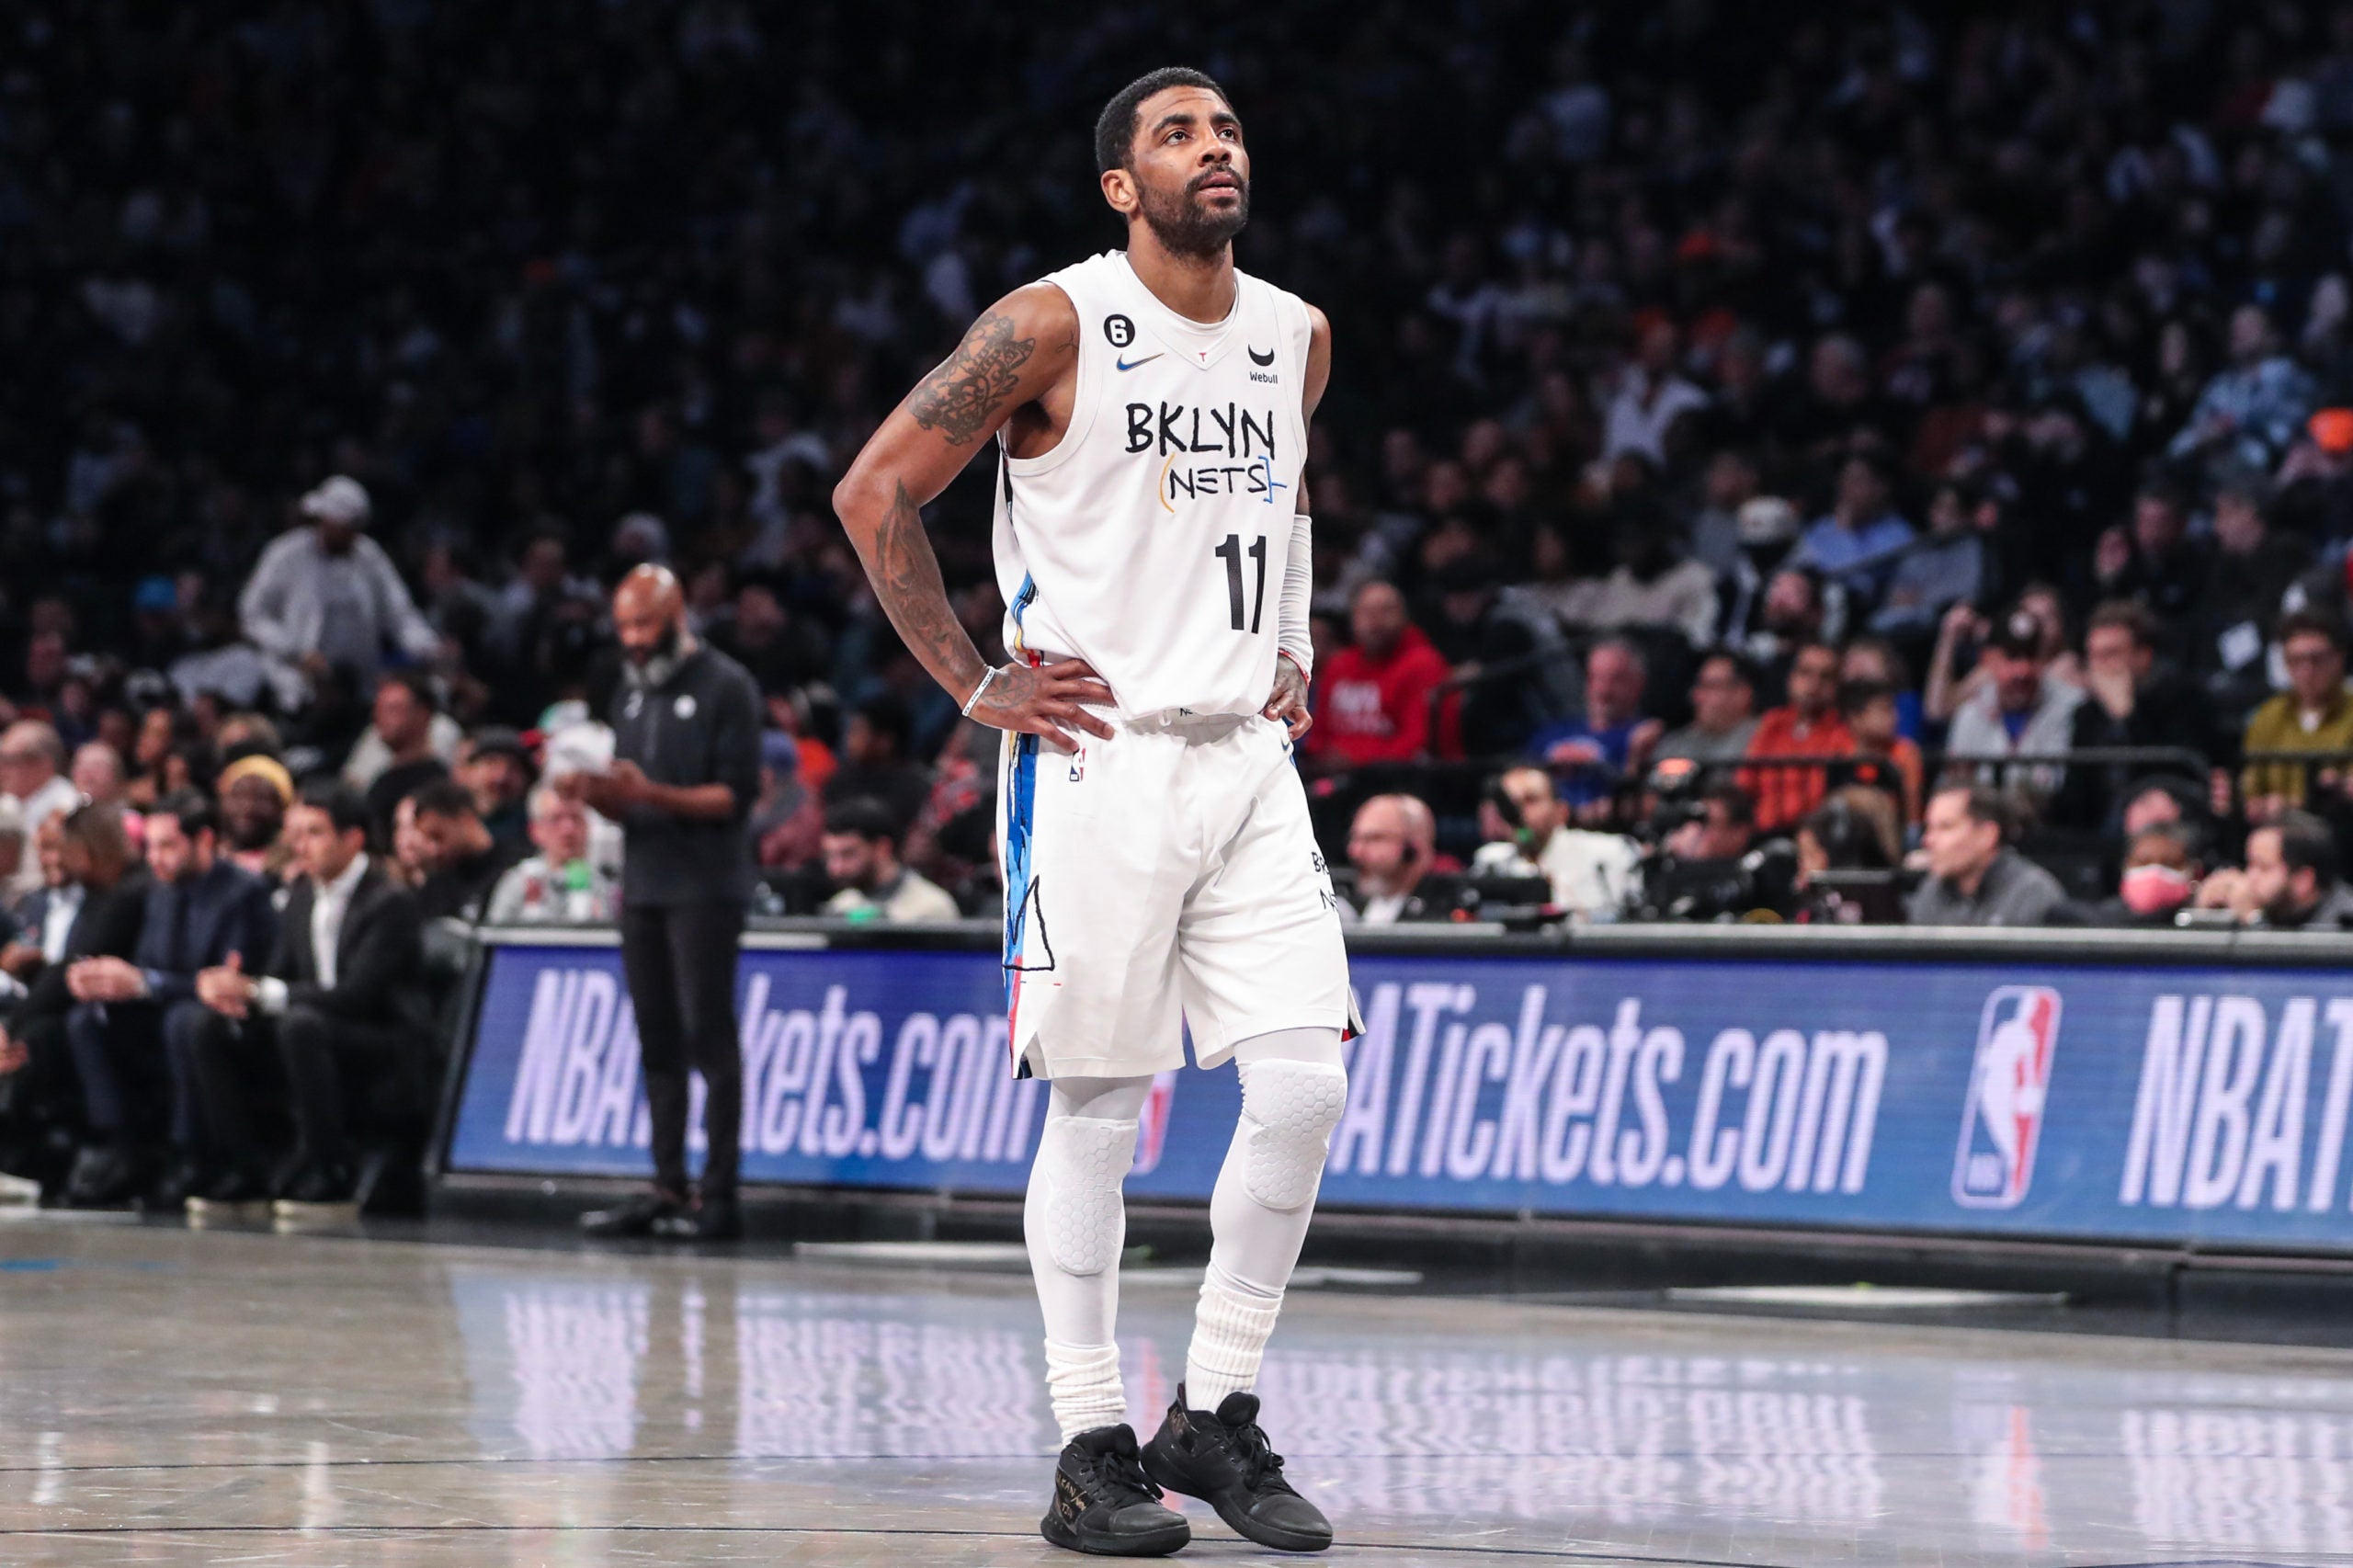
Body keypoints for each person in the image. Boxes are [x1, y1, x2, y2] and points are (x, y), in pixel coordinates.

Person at [832, 66, 1347, 1555]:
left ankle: (1213, 1415)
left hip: (1247, 759)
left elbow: (1291, 500)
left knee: (1305, 1086)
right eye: (1180, 136)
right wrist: (975, 683)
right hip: (1095, 754)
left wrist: (1296, 640)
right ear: (1123, 186)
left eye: (1230, 128)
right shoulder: (1049, 323)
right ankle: (1088, 1446)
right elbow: (876, 493)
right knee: (1103, 1108)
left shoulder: (1296, 335)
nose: (1217, 149)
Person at [561, 565, 761, 1244]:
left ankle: (721, 1195)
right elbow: (632, 792)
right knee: (656, 1041)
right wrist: (597, 794)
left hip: (705, 888)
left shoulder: (726, 686)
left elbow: (733, 797)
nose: (633, 639)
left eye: (644, 624)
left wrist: (648, 795)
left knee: (710, 1038)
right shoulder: (627, 692)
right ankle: (666, 1185)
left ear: (676, 617)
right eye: (623, 627)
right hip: (643, 885)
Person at [193, 782, 431, 1209]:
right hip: (313, 1028)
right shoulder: (301, 896)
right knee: (210, 1027)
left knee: (300, 1025)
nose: (298, 845)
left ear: (353, 838)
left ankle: (329, 1169)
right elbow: (277, 976)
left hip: (383, 1038)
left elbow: (358, 996)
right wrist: (236, 994)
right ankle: (242, 1165)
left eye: (314, 832)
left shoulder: (390, 901)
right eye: (295, 833)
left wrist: (259, 990)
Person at [59, 794, 276, 1208]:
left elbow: (222, 985)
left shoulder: (243, 894)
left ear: (205, 841)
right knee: (88, 1019)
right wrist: (107, 981)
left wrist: (144, 983)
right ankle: (120, 1147)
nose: (155, 858)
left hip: (227, 1022)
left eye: (168, 846)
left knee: (185, 1020)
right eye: (151, 847)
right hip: (165, 1011)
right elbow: (152, 968)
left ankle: (192, 1153)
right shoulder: (160, 892)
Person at [0, 804, 147, 1186]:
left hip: (138, 1007)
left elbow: (74, 965)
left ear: (88, 847)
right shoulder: (102, 892)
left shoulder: (129, 892)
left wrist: (14, 1027)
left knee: (43, 1032)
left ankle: (101, 1144)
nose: (62, 858)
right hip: (95, 1002)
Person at [237, 475, 441, 695]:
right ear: (325, 520)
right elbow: (253, 614)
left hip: (360, 686)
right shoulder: (286, 553)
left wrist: (428, 648)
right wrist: (295, 651)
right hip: (298, 685)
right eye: (344, 528)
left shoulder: (369, 556)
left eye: (355, 528)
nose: (350, 535)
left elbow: (400, 614)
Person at [1941, 608, 2086, 810]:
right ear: (1988, 660)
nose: (2022, 670)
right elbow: (1954, 786)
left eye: (2031, 656)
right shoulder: (1971, 713)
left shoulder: (2072, 706)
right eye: (2011, 657)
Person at [1302, 579, 1449, 768]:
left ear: (1405, 616)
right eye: (1366, 612)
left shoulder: (1423, 664)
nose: (1375, 621)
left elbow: (1417, 745)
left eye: (1386, 611)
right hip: (1334, 778)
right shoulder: (1338, 665)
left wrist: (1357, 760)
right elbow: (1317, 736)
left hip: (1397, 777)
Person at [1468, 765, 1638, 919]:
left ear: (1561, 811)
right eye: (1511, 804)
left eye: (1531, 800)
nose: (1518, 813)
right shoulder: (1490, 861)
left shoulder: (1608, 851)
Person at [1907, 784, 2066, 927]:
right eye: (1929, 828)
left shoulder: (2031, 893)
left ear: (1987, 835)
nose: (1928, 840)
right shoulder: (1931, 890)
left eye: (1946, 827)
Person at [2242, 610, 2353, 816]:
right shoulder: (2268, 716)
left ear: (2339, 658)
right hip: (2277, 828)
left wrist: (2341, 786)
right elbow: (2251, 789)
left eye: (2316, 659)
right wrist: (2262, 804)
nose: (2306, 670)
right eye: (2296, 660)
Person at [1527, 638, 1659, 808]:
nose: (1603, 690)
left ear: (1639, 684)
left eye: (1616, 680)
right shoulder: (1551, 734)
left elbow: (1640, 802)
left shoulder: (1643, 737)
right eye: (1596, 678)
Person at [1740, 641, 1852, 832]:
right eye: (1805, 673)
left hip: (1818, 835)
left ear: (1836, 685)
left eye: (1825, 677)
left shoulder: (1844, 731)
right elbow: (1745, 783)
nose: (1814, 684)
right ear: (1791, 678)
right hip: (1763, 831)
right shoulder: (1772, 724)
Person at [347, 671, 455, 846]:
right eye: (378, 710)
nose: (380, 718)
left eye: (393, 709)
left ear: (423, 714)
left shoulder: (435, 784)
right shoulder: (382, 781)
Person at [483, 787, 620, 925]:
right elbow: (494, 939)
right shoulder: (519, 884)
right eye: (556, 819)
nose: (568, 830)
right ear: (535, 831)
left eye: (576, 818)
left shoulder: (607, 885)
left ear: (588, 826)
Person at [819, 796, 962, 921]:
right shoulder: (840, 906)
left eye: (848, 854)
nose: (836, 868)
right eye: (830, 855)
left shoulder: (932, 908)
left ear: (882, 848)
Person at [404, 778, 522, 921]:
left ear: (465, 819)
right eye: (426, 839)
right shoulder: (435, 886)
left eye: (438, 836)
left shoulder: (517, 868)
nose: (433, 849)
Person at [1344, 793, 1466, 924]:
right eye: (1355, 838)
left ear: (1414, 847)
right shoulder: (1346, 905)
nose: (1355, 852)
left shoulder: (1446, 908)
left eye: (1375, 838)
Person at [0, 722, 77, 899]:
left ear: (43, 764)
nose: (1, 770)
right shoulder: (8, 802)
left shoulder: (69, 807)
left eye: (9, 761)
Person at [2238, 812, 2353, 929]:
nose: (2250, 876)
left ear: (2304, 880)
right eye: (2249, 864)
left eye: (2264, 868)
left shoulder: (2345, 926)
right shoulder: (2282, 912)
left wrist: (2254, 918)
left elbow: (2290, 947)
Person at [1652, 653, 1757, 767]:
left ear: (1742, 694)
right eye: (1698, 686)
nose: (1697, 696)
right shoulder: (1676, 743)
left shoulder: (1763, 741)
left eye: (1710, 686)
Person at [215, 755, 292, 880]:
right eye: (239, 795)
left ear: (282, 808)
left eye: (261, 798)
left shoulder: (292, 869)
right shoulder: (208, 863)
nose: (248, 807)